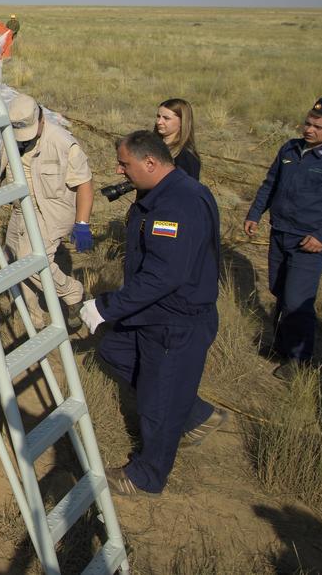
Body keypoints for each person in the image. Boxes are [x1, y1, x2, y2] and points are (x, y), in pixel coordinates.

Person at [80, 130, 226, 497]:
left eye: (124, 163)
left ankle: (146, 475)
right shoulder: (167, 192)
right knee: (114, 352)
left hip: (173, 321)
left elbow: (164, 276)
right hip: (152, 313)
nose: (119, 169)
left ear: (150, 162)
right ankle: (192, 414)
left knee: (157, 403)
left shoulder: (177, 205)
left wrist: (105, 307)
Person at [244, 97, 322, 378]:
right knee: (278, 290)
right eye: (308, 123)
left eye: (318, 127)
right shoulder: (289, 148)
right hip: (280, 234)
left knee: (297, 300)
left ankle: (299, 360)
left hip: (309, 243)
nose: (309, 130)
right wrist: (254, 214)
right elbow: (270, 183)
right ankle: (280, 344)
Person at [0, 94, 95, 329]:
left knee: (29, 259)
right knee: (13, 258)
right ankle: (35, 321)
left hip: (50, 211)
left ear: (41, 118)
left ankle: (73, 293)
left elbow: (84, 183)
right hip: (20, 209)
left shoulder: (63, 142)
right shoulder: (9, 136)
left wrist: (82, 223)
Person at [154, 98, 201, 180]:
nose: (159, 122)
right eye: (158, 116)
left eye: (166, 118)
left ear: (182, 122)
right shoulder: (151, 144)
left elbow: (188, 190)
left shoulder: (186, 157)